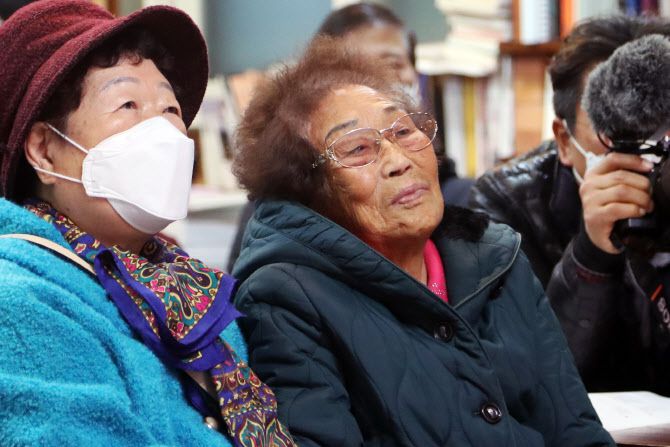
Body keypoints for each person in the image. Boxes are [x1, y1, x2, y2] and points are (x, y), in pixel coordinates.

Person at [230, 36, 613, 446]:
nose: (399, 161)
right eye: (358, 149)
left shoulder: (498, 257)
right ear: (306, 187)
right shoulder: (284, 298)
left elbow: (577, 430)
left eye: (404, 131)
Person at [0, 1, 294, 446]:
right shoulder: (21, 304)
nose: (164, 133)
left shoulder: (184, 282)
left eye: (170, 109)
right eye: (128, 104)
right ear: (44, 151)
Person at [468, 15, 670, 394]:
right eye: (617, 122)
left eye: (661, 120)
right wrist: (591, 254)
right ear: (564, 139)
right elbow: (530, 380)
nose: (649, 145)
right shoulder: (507, 205)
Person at [226, 2, 473, 272]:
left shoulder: (469, 205)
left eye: (403, 131)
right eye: (357, 148)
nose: (369, 83)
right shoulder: (278, 243)